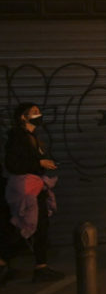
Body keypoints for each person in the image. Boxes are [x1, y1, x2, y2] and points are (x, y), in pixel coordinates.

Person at [2, 103, 63, 282]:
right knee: (23, 225)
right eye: (34, 112)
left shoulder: (32, 137)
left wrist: (43, 163)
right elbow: (13, 165)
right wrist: (39, 164)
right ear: (23, 116)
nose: (39, 115)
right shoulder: (17, 138)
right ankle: (5, 261)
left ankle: (40, 266)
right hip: (25, 189)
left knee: (39, 225)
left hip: (35, 187)